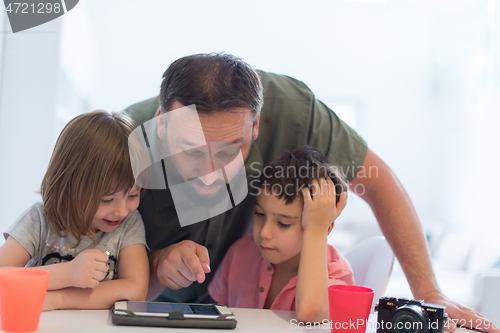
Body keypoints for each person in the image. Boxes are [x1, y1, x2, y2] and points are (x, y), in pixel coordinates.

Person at [124, 52, 498, 333]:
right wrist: (156, 266)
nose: (209, 175)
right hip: (149, 306)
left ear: (256, 127)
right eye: (190, 151)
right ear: (161, 124)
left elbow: (378, 182)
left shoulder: (295, 111)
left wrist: (429, 291)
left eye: (230, 150)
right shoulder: (119, 145)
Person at [0, 111, 149, 311]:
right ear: (69, 186)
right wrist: (67, 273)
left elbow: (136, 289)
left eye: (133, 195)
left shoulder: (129, 224)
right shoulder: (40, 219)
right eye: (106, 199)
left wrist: (57, 300)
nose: (122, 211)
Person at [208, 146, 354, 323]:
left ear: (325, 228)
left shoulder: (337, 273)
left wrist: (316, 232)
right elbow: (217, 317)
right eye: (260, 214)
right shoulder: (240, 253)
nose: (264, 232)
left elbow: (311, 313)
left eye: (283, 224)